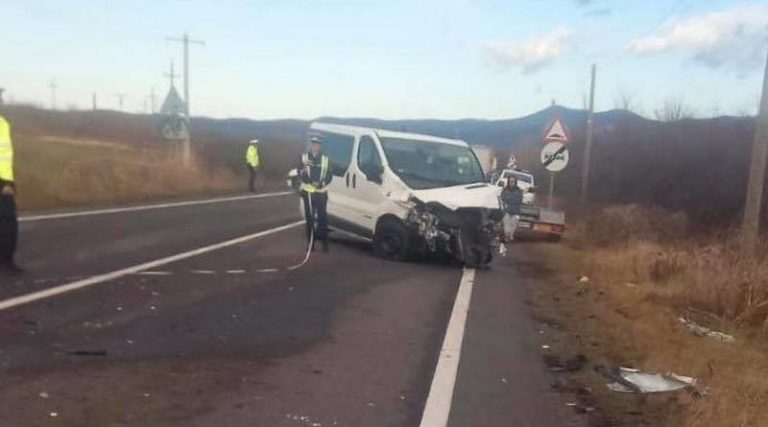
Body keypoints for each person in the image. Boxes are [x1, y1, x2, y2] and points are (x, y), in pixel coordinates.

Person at [298, 135, 332, 253]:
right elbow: (300, 172)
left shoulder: (326, 159)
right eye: (313, 143)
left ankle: (325, 245)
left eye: (317, 144)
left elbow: (329, 175)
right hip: (308, 192)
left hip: (321, 192)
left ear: (320, 146)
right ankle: (311, 244)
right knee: (310, 219)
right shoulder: (304, 157)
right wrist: (309, 181)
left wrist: (321, 183)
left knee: (323, 219)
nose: (315, 146)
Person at [0, 113, 22, 274]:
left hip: (3, 180)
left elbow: (5, 158)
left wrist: (8, 182)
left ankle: (6, 259)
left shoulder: (3, 123)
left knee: (8, 222)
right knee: (8, 221)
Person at [501, 176, 523, 242]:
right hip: (506, 211)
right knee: (506, 223)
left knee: (514, 223)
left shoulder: (519, 191)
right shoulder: (505, 190)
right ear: (508, 182)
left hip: (515, 212)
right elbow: (502, 199)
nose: (511, 183)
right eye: (510, 181)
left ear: (515, 182)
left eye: (513, 181)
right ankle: (507, 236)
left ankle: (510, 236)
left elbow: (519, 200)